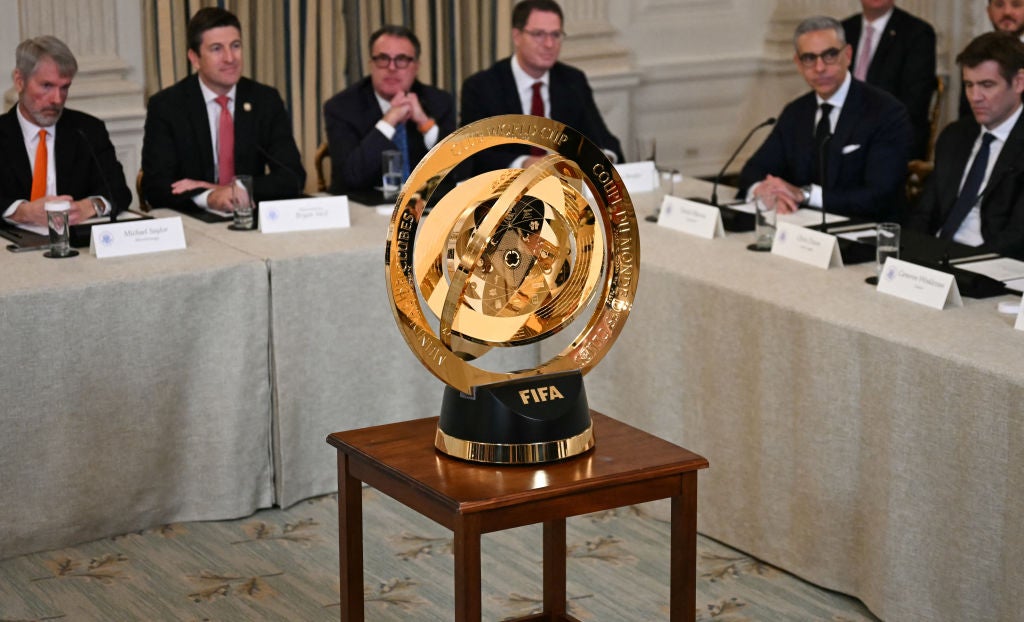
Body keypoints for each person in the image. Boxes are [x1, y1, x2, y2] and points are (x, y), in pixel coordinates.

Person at [737, 16, 912, 221]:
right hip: (802, 232)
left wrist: (807, 195)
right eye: (809, 58)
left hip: (864, 234)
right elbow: (753, 169)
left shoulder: (885, 112)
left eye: (829, 55)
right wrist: (765, 191)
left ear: (848, 54)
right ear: (798, 63)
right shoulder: (796, 112)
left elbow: (879, 195)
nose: (819, 68)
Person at [141, 7, 305, 214]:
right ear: (194, 58)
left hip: (250, 218)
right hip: (194, 222)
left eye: (235, 46)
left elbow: (292, 176)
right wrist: (209, 197)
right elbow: (156, 187)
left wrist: (230, 190)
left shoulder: (264, 100)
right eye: (217, 49)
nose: (230, 58)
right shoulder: (167, 106)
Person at [459, 0, 623, 175]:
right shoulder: (482, 87)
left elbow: (604, 140)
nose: (549, 44)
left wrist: (604, 159)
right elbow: (472, 154)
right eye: (539, 34)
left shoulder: (572, 81)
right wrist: (524, 163)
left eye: (555, 35)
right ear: (517, 37)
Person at [906, 32, 1024, 260]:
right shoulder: (955, 135)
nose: (974, 96)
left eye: (987, 85)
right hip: (937, 256)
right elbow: (924, 212)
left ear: (1019, 82)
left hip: (989, 265)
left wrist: (962, 264)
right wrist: (911, 255)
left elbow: (1017, 237)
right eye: (969, 85)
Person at [1, 36, 131, 227]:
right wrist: (22, 212)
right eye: (47, 86)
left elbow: (118, 191)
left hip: (76, 246)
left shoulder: (87, 130)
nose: (57, 99)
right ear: (20, 81)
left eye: (65, 88)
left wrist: (90, 206)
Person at [323, 25, 454, 196]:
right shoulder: (342, 107)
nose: (391, 67)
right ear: (371, 64)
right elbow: (351, 177)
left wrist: (425, 123)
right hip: (364, 208)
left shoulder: (439, 102)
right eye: (383, 58)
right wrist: (388, 121)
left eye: (401, 59)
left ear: (416, 67)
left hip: (425, 210)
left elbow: (459, 171)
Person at [842, 1, 937, 160]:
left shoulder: (918, 33)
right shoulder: (842, 30)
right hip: (842, 135)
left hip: (892, 137)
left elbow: (913, 105)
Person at [959, 0, 1024, 118]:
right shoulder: (975, 51)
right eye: (999, 5)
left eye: (1016, 5)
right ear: (988, 11)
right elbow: (967, 117)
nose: (1007, 12)